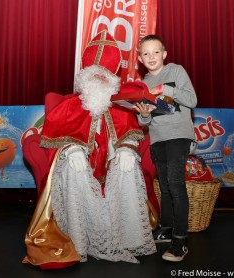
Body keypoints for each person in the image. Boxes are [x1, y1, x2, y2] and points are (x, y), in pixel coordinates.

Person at [23, 30, 156, 269]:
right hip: (80, 169)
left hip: (110, 168)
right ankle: (78, 237)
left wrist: (127, 150)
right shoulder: (69, 106)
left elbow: (131, 135)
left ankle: (127, 236)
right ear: (84, 77)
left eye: (103, 77)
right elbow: (53, 140)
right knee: (74, 170)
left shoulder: (121, 107)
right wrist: (71, 150)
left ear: (113, 79)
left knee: (128, 166)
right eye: (94, 76)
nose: (99, 81)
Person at [134, 34, 197, 262]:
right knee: (166, 187)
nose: (151, 56)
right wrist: (143, 115)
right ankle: (166, 227)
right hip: (157, 139)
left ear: (165, 54)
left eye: (156, 52)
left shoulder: (176, 71)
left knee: (176, 184)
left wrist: (166, 90)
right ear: (140, 58)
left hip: (178, 136)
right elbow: (145, 123)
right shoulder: (142, 85)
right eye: (146, 53)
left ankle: (180, 241)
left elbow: (192, 100)